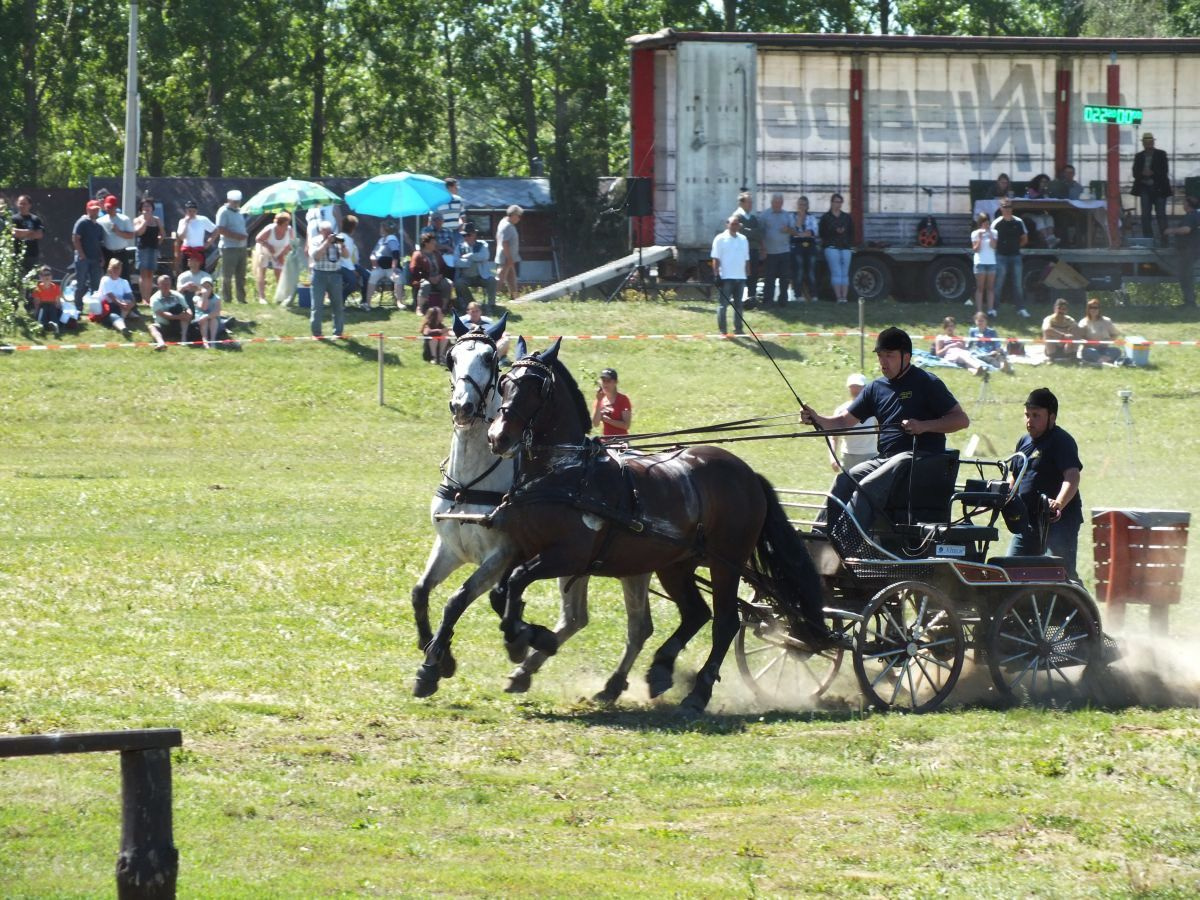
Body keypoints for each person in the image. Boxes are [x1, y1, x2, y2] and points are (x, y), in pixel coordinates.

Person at [801, 326, 969, 533]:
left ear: (906, 356)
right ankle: (819, 537)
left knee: (870, 483)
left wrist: (923, 426)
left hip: (920, 459)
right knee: (845, 479)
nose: (883, 362)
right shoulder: (875, 388)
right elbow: (844, 422)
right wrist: (817, 419)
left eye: (889, 356)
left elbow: (961, 420)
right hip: (886, 459)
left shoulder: (927, 383)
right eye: (880, 356)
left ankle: (847, 537)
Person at [1009, 387, 1083, 581]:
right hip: (1027, 522)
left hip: (1058, 522)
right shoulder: (1023, 442)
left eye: (1036, 415)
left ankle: (1083, 610)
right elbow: (1013, 477)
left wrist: (1058, 503)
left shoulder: (1061, 441)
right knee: (1010, 570)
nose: (1029, 421)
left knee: (1059, 573)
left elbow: (1072, 476)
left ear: (1052, 417)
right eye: (1027, 415)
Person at [828, 373, 877, 472]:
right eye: (852, 386)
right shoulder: (841, 410)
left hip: (870, 456)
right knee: (848, 486)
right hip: (848, 457)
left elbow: (881, 432)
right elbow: (833, 438)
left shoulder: (875, 409)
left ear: (865, 387)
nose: (855, 390)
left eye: (858, 386)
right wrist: (833, 458)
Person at [710, 215, 749, 335]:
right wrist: (716, 274)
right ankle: (723, 331)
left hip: (740, 277)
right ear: (727, 224)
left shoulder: (743, 239)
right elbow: (715, 258)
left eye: (737, 224)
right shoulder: (720, 238)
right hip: (726, 277)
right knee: (723, 306)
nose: (734, 226)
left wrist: (747, 273)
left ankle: (739, 329)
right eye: (732, 223)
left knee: (739, 306)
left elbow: (747, 258)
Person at [307, 220, 345, 338]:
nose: (329, 233)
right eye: (326, 231)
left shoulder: (337, 240)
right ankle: (317, 333)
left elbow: (347, 255)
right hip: (319, 275)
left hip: (335, 275)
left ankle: (338, 332)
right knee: (317, 306)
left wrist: (342, 245)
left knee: (338, 305)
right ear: (320, 231)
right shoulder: (315, 241)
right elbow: (316, 256)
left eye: (330, 231)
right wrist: (326, 243)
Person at [992, 200, 1030, 318]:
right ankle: (994, 309)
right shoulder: (996, 223)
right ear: (1001, 208)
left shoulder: (1019, 222)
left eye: (1009, 207)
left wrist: (1016, 247)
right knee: (998, 283)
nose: (1007, 209)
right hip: (1000, 256)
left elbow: (1024, 239)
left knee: (1018, 283)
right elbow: (992, 241)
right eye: (1005, 207)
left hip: (1015, 256)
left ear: (1012, 208)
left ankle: (1020, 308)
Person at [1132, 132, 1171, 243]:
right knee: (1145, 216)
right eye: (1146, 142)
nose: (1148, 143)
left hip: (1159, 188)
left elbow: (1164, 171)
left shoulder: (1161, 154)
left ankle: (1164, 239)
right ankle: (1148, 240)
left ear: (1153, 142)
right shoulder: (1139, 156)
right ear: (1143, 143)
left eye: (1150, 141)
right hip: (1145, 188)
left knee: (1161, 215)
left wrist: (1152, 173)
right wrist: (1143, 173)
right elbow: (1135, 173)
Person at [1163, 195, 1200, 307]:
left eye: (1184, 203)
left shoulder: (1190, 216)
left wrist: (1171, 230)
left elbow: (1186, 229)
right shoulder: (1197, 215)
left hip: (1189, 249)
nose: (1183, 205)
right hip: (1194, 248)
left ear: (1188, 205)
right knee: (1187, 275)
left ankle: (1189, 302)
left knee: (1186, 276)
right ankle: (1189, 301)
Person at [758, 193, 794, 306]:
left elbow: (794, 232)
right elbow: (760, 234)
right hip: (770, 252)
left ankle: (783, 301)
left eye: (779, 202)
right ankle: (768, 300)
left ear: (782, 203)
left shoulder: (787, 215)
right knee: (770, 278)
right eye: (775, 202)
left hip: (784, 251)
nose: (777, 204)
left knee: (785, 278)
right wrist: (763, 249)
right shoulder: (765, 215)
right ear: (771, 202)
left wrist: (787, 229)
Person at [452, 222, 497, 312]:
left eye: (468, 235)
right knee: (459, 283)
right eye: (464, 235)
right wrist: (470, 262)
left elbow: (485, 256)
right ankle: (472, 304)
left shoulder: (482, 245)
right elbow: (456, 262)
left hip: (481, 276)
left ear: (474, 234)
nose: (466, 237)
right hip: (466, 277)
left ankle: (491, 305)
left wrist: (469, 256)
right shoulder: (459, 247)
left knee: (492, 280)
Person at [819, 193, 854, 303]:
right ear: (832, 202)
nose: (837, 204)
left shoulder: (846, 217)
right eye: (835, 202)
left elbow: (852, 232)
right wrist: (834, 231)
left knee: (845, 273)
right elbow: (821, 233)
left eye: (840, 202)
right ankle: (838, 297)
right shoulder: (826, 217)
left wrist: (848, 241)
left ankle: (845, 297)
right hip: (831, 247)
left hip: (845, 247)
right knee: (836, 272)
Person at [215, 189, 249, 304]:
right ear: (229, 200)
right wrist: (237, 236)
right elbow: (220, 229)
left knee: (241, 274)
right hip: (228, 247)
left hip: (242, 247)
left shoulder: (239, 212)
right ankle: (227, 298)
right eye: (234, 201)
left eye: (238, 201)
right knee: (227, 275)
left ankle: (241, 298)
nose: (236, 204)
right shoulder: (223, 211)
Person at [254, 211, 294, 303]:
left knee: (279, 273)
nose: (287, 225)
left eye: (288, 223)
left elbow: (291, 244)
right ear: (279, 224)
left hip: (280, 251)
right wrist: (268, 245)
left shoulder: (290, 230)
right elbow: (258, 239)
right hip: (265, 250)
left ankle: (281, 296)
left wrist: (281, 255)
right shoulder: (270, 229)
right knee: (262, 272)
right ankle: (262, 297)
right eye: (285, 224)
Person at [71, 200, 106, 305]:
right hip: (83, 259)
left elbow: (99, 243)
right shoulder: (82, 222)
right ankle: (78, 307)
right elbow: (75, 238)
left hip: (95, 259)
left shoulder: (99, 227)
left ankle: (94, 308)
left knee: (96, 285)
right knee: (80, 284)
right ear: (88, 210)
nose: (95, 212)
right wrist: (82, 255)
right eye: (93, 209)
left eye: (97, 210)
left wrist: (102, 257)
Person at [147, 273, 193, 350]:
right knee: (152, 327)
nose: (166, 286)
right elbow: (162, 314)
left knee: (182, 310)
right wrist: (179, 316)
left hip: (179, 324)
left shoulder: (177, 295)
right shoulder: (155, 298)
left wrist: (188, 314)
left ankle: (183, 338)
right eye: (163, 284)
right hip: (164, 324)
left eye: (168, 284)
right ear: (158, 285)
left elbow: (187, 308)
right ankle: (161, 343)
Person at [365, 217, 403, 309]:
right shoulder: (381, 240)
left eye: (381, 227)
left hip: (391, 268)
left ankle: (399, 302)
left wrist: (394, 269)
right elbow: (373, 253)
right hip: (379, 268)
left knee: (398, 278)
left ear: (385, 229)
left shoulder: (391, 238)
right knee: (372, 276)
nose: (380, 229)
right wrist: (373, 259)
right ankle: (368, 303)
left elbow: (395, 254)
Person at [731, 191, 760, 305]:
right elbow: (740, 231)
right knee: (742, 275)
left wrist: (749, 232)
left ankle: (751, 298)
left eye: (751, 202)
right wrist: (752, 232)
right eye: (749, 202)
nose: (751, 204)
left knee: (753, 275)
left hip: (753, 250)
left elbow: (759, 233)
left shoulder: (752, 218)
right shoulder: (737, 216)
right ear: (741, 203)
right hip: (741, 251)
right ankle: (739, 299)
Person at [95, 256, 137, 335]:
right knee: (113, 316)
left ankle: (126, 314)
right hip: (107, 307)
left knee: (128, 300)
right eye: (114, 268)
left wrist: (132, 304)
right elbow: (111, 296)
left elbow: (131, 296)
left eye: (118, 268)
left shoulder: (124, 282)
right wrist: (121, 304)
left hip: (119, 305)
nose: (116, 270)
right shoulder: (105, 280)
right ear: (110, 269)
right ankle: (123, 328)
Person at [1075, 298, 1123, 365]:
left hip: (1104, 349)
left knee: (1117, 351)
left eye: (1096, 307)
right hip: (1089, 349)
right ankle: (1105, 361)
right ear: (1088, 309)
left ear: (1099, 309)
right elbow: (1079, 337)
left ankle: (1100, 361)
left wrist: (1106, 341)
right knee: (1089, 352)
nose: (1093, 309)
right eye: (1091, 307)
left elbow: (1115, 334)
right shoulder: (1083, 322)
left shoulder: (1107, 321)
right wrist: (1089, 343)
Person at [133, 197, 163, 305]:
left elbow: (162, 233)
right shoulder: (137, 220)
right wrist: (145, 221)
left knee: (150, 274)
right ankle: (143, 298)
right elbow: (139, 233)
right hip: (142, 249)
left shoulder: (157, 220)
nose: (147, 208)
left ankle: (148, 298)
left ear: (152, 208)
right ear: (141, 208)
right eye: (144, 206)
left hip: (153, 249)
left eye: (149, 206)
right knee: (143, 273)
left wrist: (159, 241)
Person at [789, 195, 819, 303]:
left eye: (804, 204)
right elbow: (794, 231)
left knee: (811, 271)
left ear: (807, 206)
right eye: (800, 204)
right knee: (799, 271)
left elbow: (813, 232)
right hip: (797, 246)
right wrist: (800, 221)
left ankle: (813, 295)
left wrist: (804, 233)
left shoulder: (812, 217)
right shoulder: (792, 217)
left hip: (810, 246)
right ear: (797, 205)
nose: (802, 206)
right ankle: (798, 295)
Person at [98, 195, 136, 280]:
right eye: (107, 207)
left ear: (115, 207)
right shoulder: (100, 221)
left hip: (121, 253)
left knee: (124, 277)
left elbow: (132, 235)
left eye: (111, 207)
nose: (108, 209)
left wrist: (119, 232)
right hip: (107, 253)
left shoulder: (124, 219)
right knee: (108, 278)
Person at [336, 214, 368, 309]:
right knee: (352, 282)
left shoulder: (349, 239)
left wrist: (355, 268)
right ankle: (340, 301)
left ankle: (364, 301)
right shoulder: (341, 237)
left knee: (367, 275)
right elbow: (344, 257)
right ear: (353, 228)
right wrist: (353, 270)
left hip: (351, 265)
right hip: (342, 266)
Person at [175, 199, 215, 271]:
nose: (191, 213)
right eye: (189, 211)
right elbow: (181, 237)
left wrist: (208, 243)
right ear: (186, 211)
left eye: (193, 211)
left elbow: (216, 230)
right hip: (187, 251)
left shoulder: (202, 219)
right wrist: (186, 223)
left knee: (200, 272)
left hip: (199, 250)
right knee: (186, 272)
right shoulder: (182, 221)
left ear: (196, 211)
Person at [592, 367, 632, 438]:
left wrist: (606, 419)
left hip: (621, 441)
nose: (605, 384)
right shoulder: (599, 400)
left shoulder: (623, 400)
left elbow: (626, 425)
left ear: (615, 382)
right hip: (605, 441)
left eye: (608, 381)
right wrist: (599, 401)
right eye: (603, 381)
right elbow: (595, 424)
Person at [970, 211, 997, 316]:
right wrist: (980, 238)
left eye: (988, 222)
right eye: (984, 222)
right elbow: (976, 249)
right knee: (980, 287)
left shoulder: (994, 232)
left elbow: (994, 246)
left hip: (991, 263)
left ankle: (990, 310)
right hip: (980, 262)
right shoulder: (975, 233)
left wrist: (990, 234)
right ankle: (979, 311)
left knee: (990, 287)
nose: (986, 224)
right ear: (980, 223)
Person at [11, 194, 44, 275]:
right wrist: (30, 231)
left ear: (29, 205)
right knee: (18, 281)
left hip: (32, 255)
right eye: (20, 203)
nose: (22, 206)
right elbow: (14, 233)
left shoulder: (35, 219)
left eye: (24, 203)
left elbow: (39, 234)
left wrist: (22, 233)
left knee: (31, 281)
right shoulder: (13, 219)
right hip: (17, 256)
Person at [495, 204, 523, 299]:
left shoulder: (504, 222)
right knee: (501, 277)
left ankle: (515, 297)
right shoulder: (507, 226)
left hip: (509, 256)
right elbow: (505, 243)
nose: (519, 218)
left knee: (511, 277)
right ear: (513, 215)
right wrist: (509, 258)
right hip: (506, 257)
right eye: (518, 216)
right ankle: (493, 297)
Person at [409, 233, 441, 310]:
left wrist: (440, 276)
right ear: (426, 243)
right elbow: (414, 271)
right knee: (425, 284)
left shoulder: (436, 254)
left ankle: (444, 307)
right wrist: (428, 278)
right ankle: (419, 308)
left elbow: (444, 267)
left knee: (447, 284)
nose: (435, 244)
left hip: (437, 279)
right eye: (433, 242)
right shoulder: (417, 254)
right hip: (421, 279)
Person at [1042, 297, 1078, 362]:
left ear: (1066, 310)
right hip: (1052, 348)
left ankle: (1072, 355)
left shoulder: (1069, 320)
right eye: (1059, 308)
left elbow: (1076, 329)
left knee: (1076, 330)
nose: (1061, 311)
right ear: (1055, 309)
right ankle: (1051, 358)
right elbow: (1046, 329)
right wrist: (1063, 335)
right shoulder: (1049, 319)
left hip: (1066, 348)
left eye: (1063, 309)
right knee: (1047, 333)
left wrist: (1071, 335)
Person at [31, 265, 63, 336]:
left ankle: (54, 325)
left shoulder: (56, 287)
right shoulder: (37, 288)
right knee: (44, 307)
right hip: (42, 309)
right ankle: (43, 325)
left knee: (52, 307)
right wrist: (35, 314)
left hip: (53, 309)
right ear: (40, 277)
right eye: (44, 275)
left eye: (48, 274)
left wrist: (60, 311)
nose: (46, 277)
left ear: (51, 276)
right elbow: (37, 303)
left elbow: (58, 303)